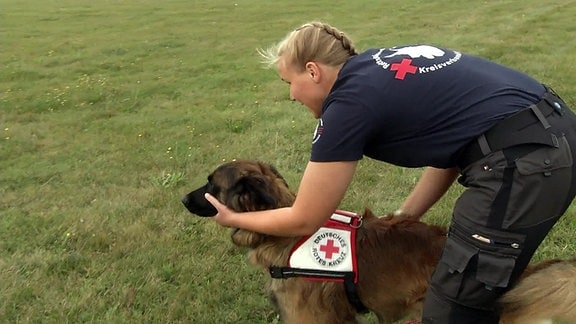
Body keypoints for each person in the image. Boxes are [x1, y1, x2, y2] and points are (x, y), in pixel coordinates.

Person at [203, 21, 576, 323]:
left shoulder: (347, 105)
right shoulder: (376, 70)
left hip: (526, 161)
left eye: (290, 83)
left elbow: (306, 219)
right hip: (556, 135)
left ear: (313, 71)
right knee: (479, 283)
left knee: (452, 306)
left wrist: (235, 217)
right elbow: (450, 148)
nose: (291, 96)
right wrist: (404, 217)